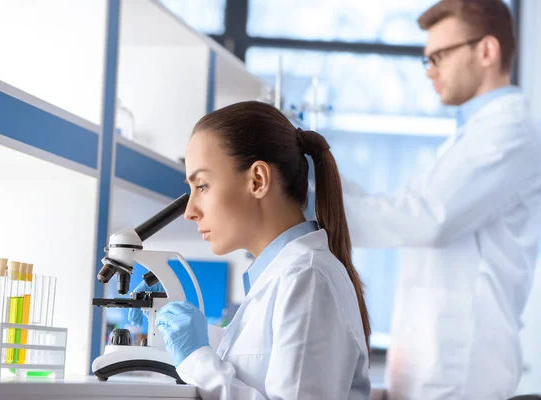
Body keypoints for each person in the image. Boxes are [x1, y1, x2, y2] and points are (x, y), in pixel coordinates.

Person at [340, 1, 541, 399]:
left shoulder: (509, 134)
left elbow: (424, 219)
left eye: (439, 57)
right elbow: (401, 207)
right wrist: (321, 176)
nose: (430, 70)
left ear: (487, 51)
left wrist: (314, 193)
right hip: (434, 368)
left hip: (463, 373)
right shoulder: (469, 137)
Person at [128, 101, 371, 399]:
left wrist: (197, 360)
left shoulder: (307, 278)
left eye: (202, 186)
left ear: (258, 180)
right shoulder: (286, 276)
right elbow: (254, 361)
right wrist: (180, 331)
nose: (189, 211)